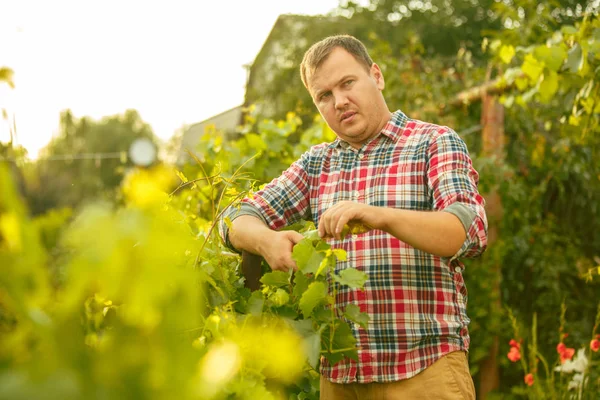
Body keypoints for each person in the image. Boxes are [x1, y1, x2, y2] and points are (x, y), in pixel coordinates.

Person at [219, 34, 487, 399]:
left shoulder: (433, 142)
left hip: (425, 372)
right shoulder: (317, 164)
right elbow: (235, 216)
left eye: (347, 83)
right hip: (341, 381)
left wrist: (380, 216)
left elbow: (466, 230)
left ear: (375, 76)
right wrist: (266, 241)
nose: (339, 101)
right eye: (324, 96)